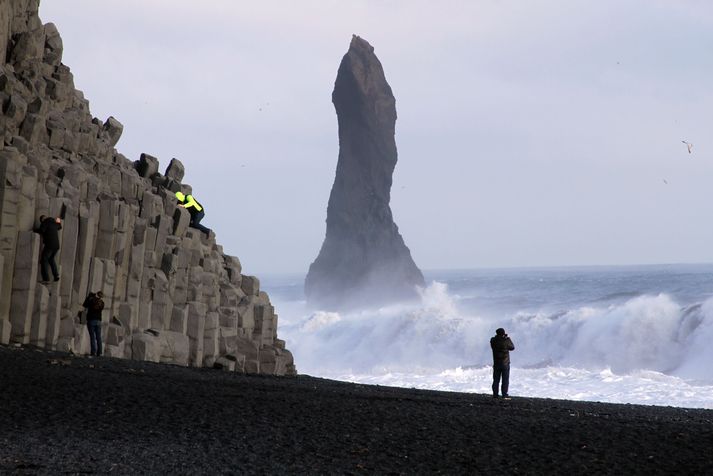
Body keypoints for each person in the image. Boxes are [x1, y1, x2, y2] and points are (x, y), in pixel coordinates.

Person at [34, 215, 62, 283]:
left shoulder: (45, 222)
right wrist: (58, 219)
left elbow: (42, 230)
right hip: (56, 246)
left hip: (50, 245)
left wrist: (34, 230)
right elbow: (59, 226)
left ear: (42, 220)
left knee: (44, 260)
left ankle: (46, 279)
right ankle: (56, 275)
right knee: (51, 259)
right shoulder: (53, 222)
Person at [490, 327, 515, 399]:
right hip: (505, 363)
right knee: (505, 380)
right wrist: (508, 338)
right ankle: (504, 395)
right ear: (503, 334)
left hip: (496, 363)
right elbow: (512, 347)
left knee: (496, 380)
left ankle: (495, 395)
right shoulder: (506, 341)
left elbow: (493, 339)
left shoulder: (493, 341)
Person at [83, 291, 104, 357]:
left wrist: (89, 297)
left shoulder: (91, 301)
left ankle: (93, 352)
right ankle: (99, 352)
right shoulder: (102, 303)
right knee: (98, 337)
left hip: (91, 320)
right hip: (98, 321)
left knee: (92, 337)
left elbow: (84, 305)